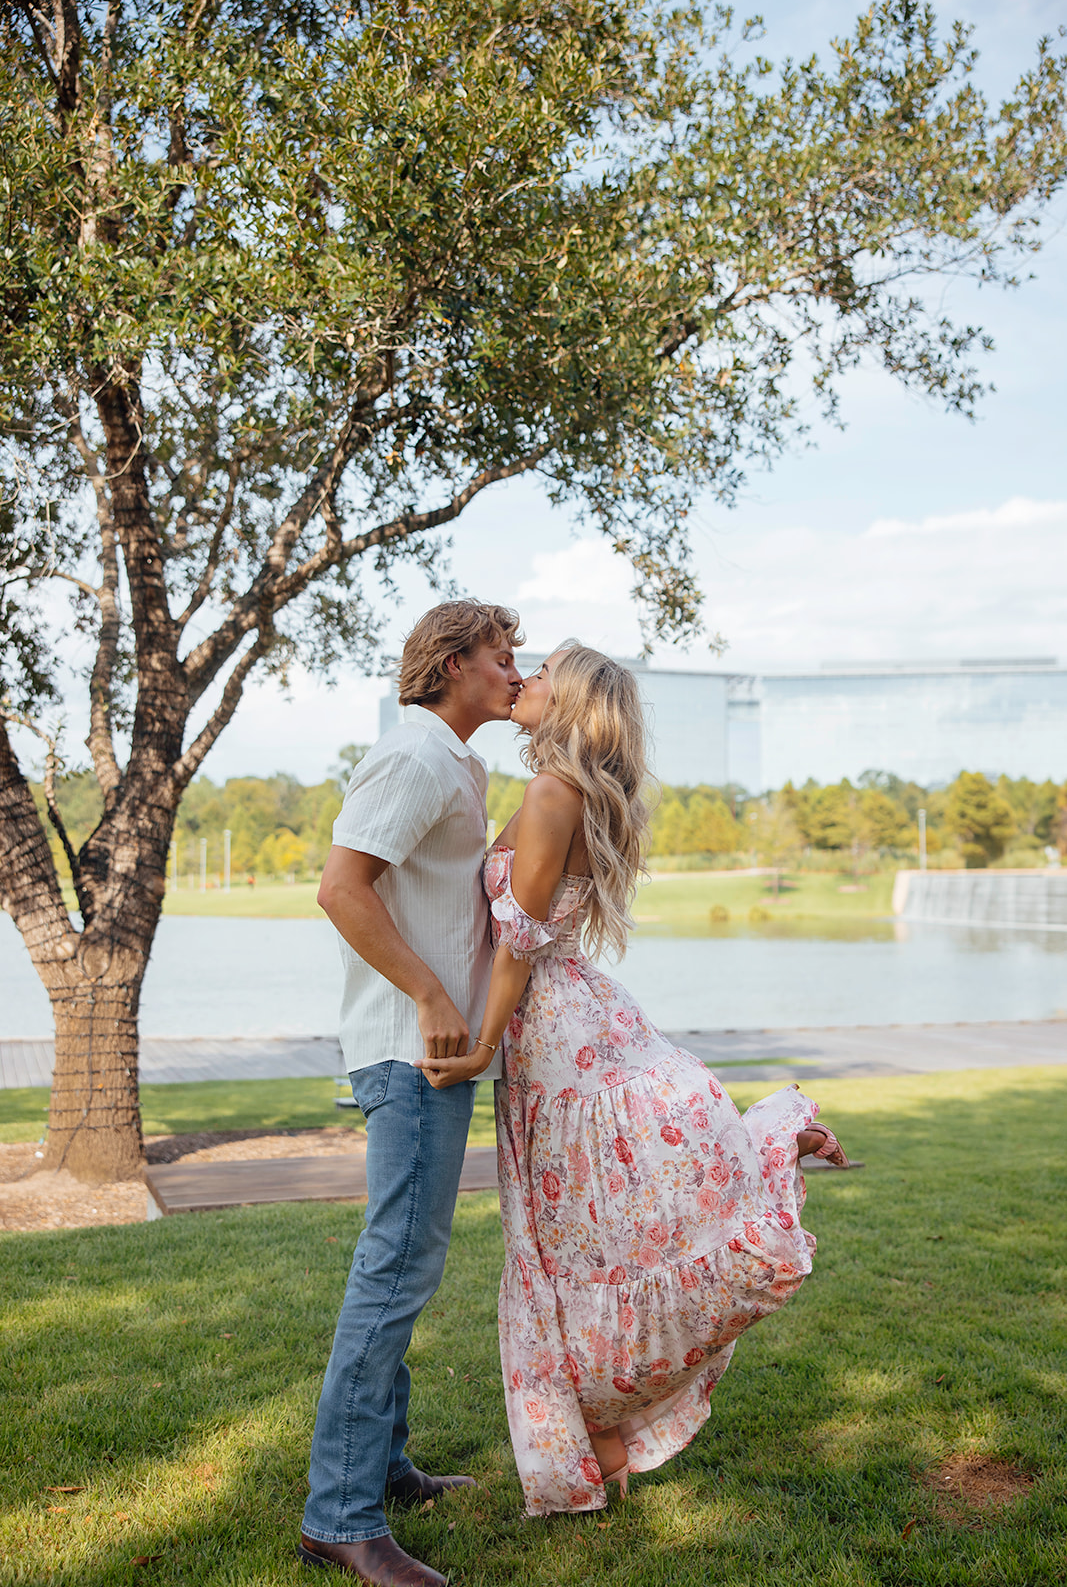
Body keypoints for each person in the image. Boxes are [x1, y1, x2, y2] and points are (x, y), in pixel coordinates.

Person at [417, 643, 849, 1516]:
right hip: (574, 1025)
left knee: (575, 1244)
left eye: (539, 673)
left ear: (569, 701)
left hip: (556, 1034)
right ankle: (603, 1434)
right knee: (588, 1244)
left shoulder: (550, 792)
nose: (523, 679)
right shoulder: (569, 789)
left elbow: (519, 943)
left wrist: (479, 1047)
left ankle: (762, 1156)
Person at [299, 600, 524, 1584]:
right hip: (408, 1048)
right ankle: (339, 1518)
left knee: (407, 1266)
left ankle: (382, 1471)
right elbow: (340, 887)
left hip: (437, 1050)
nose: (514, 669)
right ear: (448, 664)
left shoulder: (461, 764)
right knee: (394, 1270)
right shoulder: (412, 757)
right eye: (500, 654)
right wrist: (432, 995)